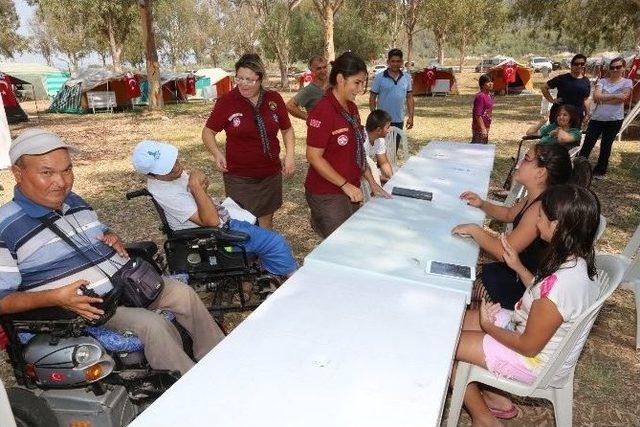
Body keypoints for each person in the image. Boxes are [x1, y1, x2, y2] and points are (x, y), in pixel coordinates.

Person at [0, 129, 224, 376]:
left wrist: (110, 234)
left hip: (126, 286)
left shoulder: (73, 201)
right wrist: (54, 297)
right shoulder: (5, 227)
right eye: (47, 172)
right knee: (153, 325)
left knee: (183, 294)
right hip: (90, 310)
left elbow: (93, 229)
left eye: (67, 170)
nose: (62, 182)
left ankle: (218, 361)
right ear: (18, 173)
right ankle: (189, 390)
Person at [453, 184, 600, 426]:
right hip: (527, 328)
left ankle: (484, 419)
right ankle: (495, 396)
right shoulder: (576, 262)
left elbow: (528, 347)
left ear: (556, 226)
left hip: (534, 362)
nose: (536, 221)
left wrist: (488, 327)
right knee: (455, 321)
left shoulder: (561, 285)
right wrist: (518, 267)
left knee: (448, 344)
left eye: (540, 217)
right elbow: (544, 296)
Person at [452, 144, 592, 309]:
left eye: (526, 159)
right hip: (514, 273)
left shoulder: (540, 208)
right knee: (458, 273)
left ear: (540, 173)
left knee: (456, 287)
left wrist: (474, 230)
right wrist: (482, 204)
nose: (519, 162)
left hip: (521, 288)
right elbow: (508, 214)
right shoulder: (534, 196)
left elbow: (503, 252)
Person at [131, 140, 298, 278]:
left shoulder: (169, 177)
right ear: (150, 175)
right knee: (276, 243)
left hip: (219, 217)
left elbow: (196, 182)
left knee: (255, 222)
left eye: (173, 160)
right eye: (167, 167)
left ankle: (270, 272)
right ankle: (292, 279)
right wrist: (197, 187)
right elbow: (211, 221)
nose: (176, 167)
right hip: (211, 232)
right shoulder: (166, 193)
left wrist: (197, 181)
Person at [202, 53, 295, 230]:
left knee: (266, 220)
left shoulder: (273, 99)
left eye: (250, 80)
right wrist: (217, 153)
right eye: (240, 78)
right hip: (239, 177)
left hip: (270, 173)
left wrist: (289, 155)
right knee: (243, 222)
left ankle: (264, 255)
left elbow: (287, 129)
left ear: (260, 79)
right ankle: (247, 257)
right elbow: (208, 132)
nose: (243, 84)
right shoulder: (227, 101)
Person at [305, 52, 391, 239]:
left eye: (363, 83)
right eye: (357, 83)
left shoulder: (350, 108)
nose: (360, 89)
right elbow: (313, 156)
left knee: (350, 240)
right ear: (340, 79)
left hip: (350, 188)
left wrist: (372, 182)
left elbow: (357, 151)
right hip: (328, 193)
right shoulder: (323, 110)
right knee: (337, 245)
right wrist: (345, 185)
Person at [578, 56, 633, 180]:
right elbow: (596, 96)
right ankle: (579, 168)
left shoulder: (627, 82)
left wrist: (605, 97)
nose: (614, 70)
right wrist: (616, 96)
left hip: (614, 120)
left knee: (606, 145)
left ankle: (600, 170)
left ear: (623, 68)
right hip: (597, 119)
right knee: (588, 143)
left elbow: (624, 98)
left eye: (618, 67)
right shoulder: (602, 81)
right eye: (612, 67)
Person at [369, 49, 415, 134]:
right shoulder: (379, 77)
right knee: (381, 147)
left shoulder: (407, 77)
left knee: (395, 146)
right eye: (393, 61)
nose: (395, 64)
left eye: (398, 61)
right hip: (382, 121)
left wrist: (411, 117)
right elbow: (372, 98)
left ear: (401, 62)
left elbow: (409, 98)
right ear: (388, 62)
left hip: (399, 120)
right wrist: (375, 117)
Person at [541, 53, 591, 127]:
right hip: (560, 116)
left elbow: (586, 99)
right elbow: (544, 87)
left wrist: (587, 114)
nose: (579, 66)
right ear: (571, 65)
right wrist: (552, 100)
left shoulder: (586, 81)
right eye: (576, 64)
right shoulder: (562, 78)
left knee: (573, 137)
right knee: (556, 136)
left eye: (582, 63)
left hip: (577, 116)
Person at [286, 56, 329, 120]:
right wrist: (309, 118)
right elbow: (290, 106)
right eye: (319, 68)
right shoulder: (309, 90)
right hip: (318, 128)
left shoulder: (334, 85)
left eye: (324, 67)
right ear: (312, 70)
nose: (323, 71)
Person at [364, 109, 394, 183]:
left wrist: (392, 179)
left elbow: (384, 163)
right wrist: (381, 178)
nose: (389, 130)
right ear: (378, 130)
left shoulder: (379, 140)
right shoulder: (361, 141)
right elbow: (360, 170)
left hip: (369, 173)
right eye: (387, 127)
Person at [471, 74, 494, 144]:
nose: (490, 83)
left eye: (491, 81)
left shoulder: (488, 96)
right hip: (479, 129)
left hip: (486, 126)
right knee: (477, 150)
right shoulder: (480, 96)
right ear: (482, 85)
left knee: (483, 149)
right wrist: (483, 128)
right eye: (488, 82)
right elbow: (478, 115)